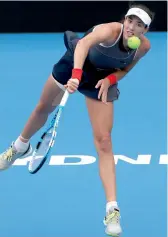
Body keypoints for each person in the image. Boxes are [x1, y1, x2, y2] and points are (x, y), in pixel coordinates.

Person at [0, 2, 155, 236]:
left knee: (104, 141)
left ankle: (112, 210)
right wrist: (75, 74)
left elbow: (125, 69)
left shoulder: (143, 47)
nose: (131, 27)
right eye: (130, 20)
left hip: (100, 78)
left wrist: (111, 80)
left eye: (139, 24)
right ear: (124, 19)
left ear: (145, 30)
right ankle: (19, 146)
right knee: (43, 108)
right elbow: (83, 44)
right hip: (77, 62)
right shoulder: (109, 31)